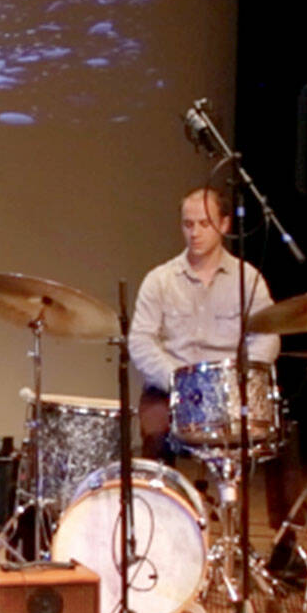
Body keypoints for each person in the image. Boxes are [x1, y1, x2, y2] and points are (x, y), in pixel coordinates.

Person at [129, 187, 280, 459]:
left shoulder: (248, 278)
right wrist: (179, 383)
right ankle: (163, 500)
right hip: (172, 391)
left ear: (224, 224)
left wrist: (239, 381)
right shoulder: (159, 279)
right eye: (188, 225)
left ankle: (259, 501)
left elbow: (268, 336)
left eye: (204, 224)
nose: (194, 233)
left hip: (231, 389)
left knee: (274, 436)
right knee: (154, 433)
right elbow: (140, 340)